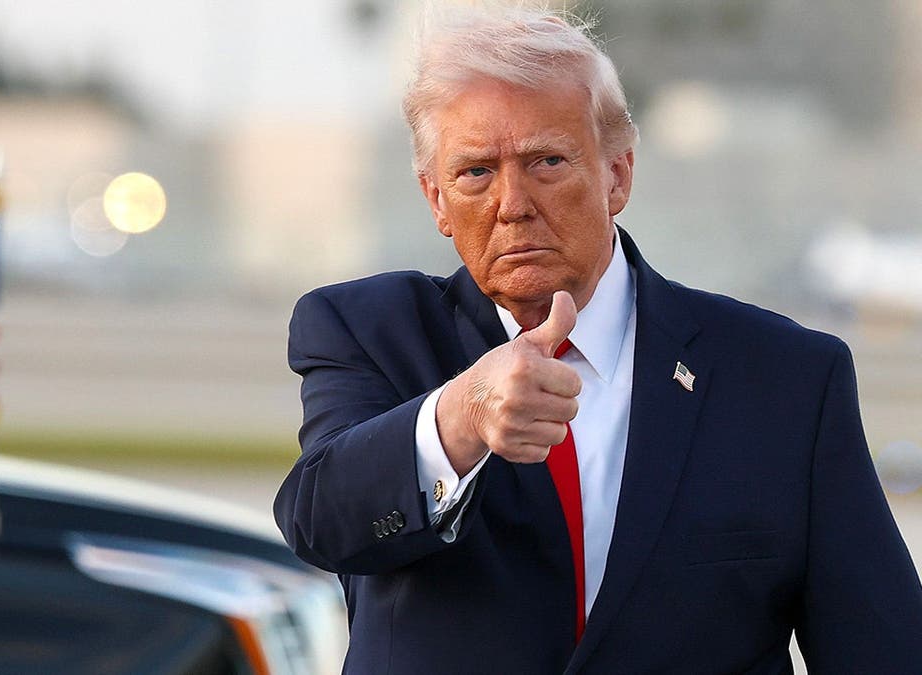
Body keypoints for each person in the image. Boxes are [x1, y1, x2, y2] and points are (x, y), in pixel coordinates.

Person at [273, 5, 922, 673]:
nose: (513, 204)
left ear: (618, 174)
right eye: (475, 173)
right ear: (436, 198)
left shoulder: (785, 379)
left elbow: (884, 649)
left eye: (547, 161)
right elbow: (320, 522)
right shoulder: (367, 332)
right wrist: (462, 416)